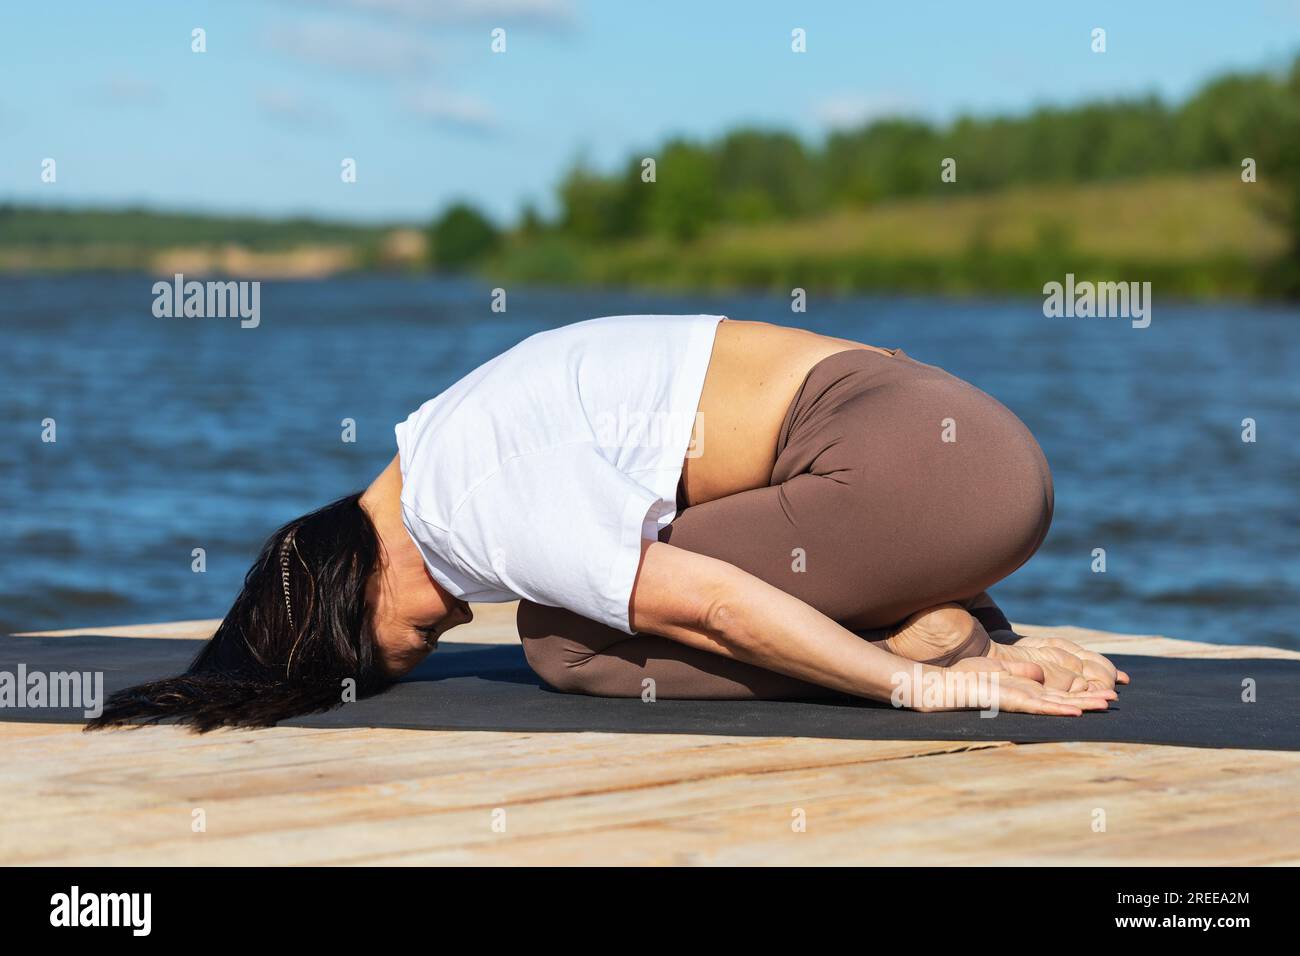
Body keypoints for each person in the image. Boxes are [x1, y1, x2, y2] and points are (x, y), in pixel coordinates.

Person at [91, 316, 1125, 732]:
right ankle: (927, 608)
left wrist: (926, 683)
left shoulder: (468, 494)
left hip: (929, 471)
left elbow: (716, 602)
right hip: (964, 454)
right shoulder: (449, 431)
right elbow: (761, 513)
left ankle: (901, 635)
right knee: (602, 588)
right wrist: (996, 613)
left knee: (562, 640)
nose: (447, 625)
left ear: (351, 592)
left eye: (414, 639)